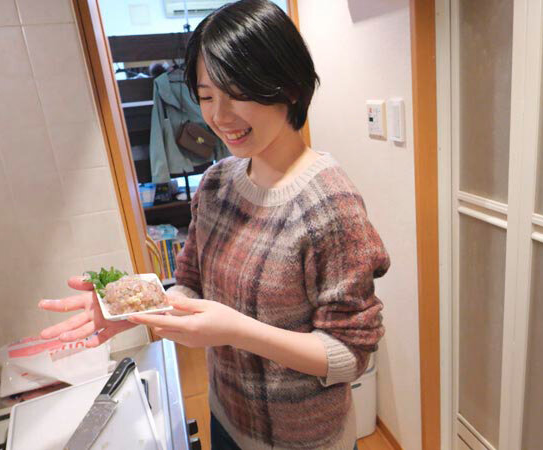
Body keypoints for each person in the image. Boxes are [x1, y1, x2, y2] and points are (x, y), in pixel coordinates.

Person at [39, 1, 389, 448]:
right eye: (206, 97)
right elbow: (190, 284)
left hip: (304, 439)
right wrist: (127, 307)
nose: (219, 117)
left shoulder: (330, 206)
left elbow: (350, 355)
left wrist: (236, 331)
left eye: (238, 92)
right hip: (225, 416)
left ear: (290, 87)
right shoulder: (217, 183)